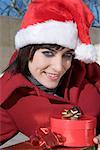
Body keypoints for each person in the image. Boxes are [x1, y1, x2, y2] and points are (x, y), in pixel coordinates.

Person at [0, 0, 100, 149]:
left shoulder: (83, 68)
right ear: (27, 51)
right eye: (48, 53)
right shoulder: (9, 94)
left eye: (67, 55)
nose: (59, 67)